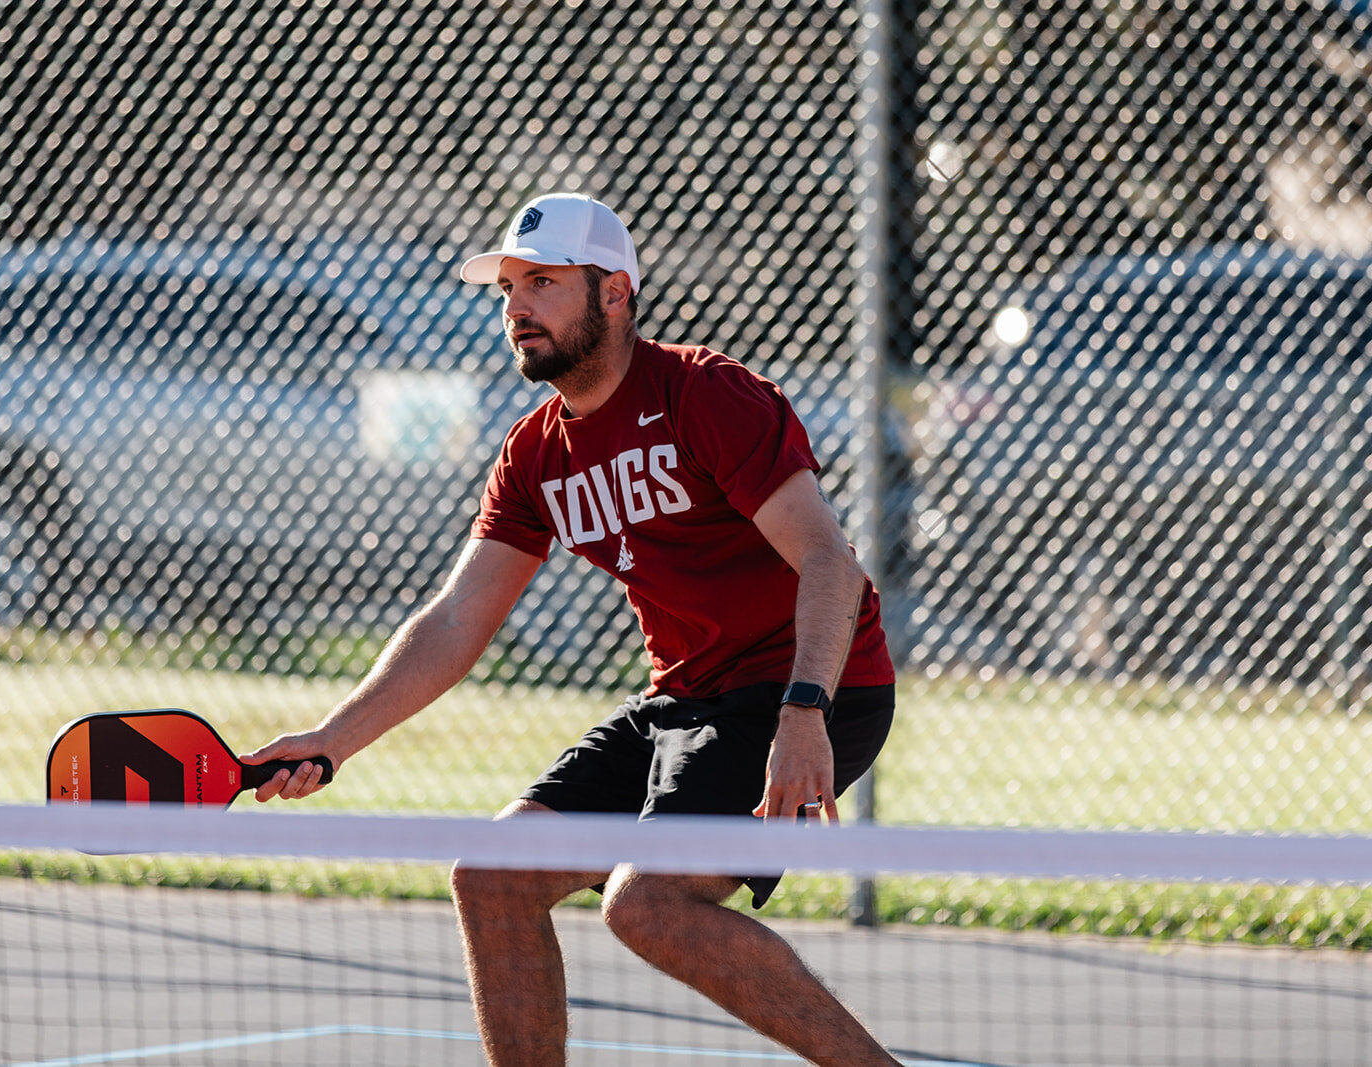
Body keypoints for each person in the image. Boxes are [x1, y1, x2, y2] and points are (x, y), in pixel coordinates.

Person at [244, 193, 903, 1067]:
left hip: (811, 692)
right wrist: (330, 742)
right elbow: (455, 620)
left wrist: (804, 710)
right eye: (508, 287)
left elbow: (830, 562)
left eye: (544, 282)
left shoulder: (707, 394)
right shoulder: (534, 454)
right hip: (688, 697)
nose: (517, 306)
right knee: (492, 876)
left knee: (647, 905)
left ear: (616, 293)